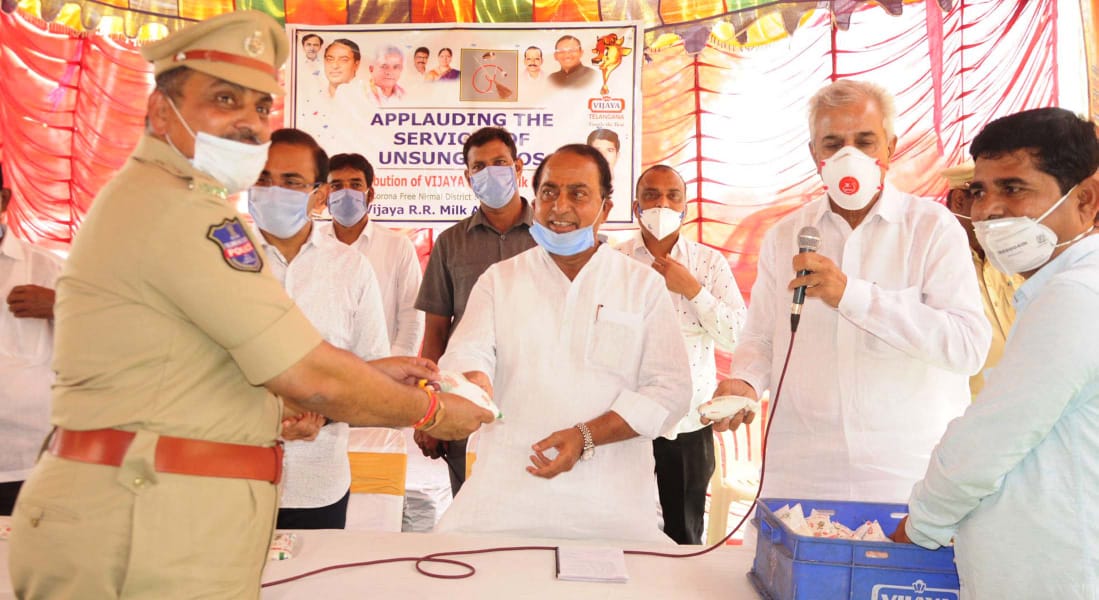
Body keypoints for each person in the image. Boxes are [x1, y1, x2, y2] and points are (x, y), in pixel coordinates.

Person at [7, 12, 491, 599]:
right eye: (223, 98)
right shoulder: (181, 213)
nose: (247, 123)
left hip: (160, 515)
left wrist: (358, 377)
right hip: (140, 528)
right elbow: (308, 374)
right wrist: (431, 414)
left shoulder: (179, 204)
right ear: (161, 111)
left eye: (261, 107)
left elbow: (193, 378)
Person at [713, 79, 991, 503]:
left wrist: (853, 295)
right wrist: (747, 382)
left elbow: (967, 347)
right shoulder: (786, 234)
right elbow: (762, 338)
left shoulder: (933, 229)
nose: (850, 156)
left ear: (890, 147)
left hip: (908, 472)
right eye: (833, 143)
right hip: (801, 468)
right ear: (814, 154)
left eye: (865, 142)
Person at [436, 144, 692, 541]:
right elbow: (467, 354)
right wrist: (473, 386)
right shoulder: (499, 280)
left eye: (578, 193)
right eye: (549, 192)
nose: (560, 207)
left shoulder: (641, 285)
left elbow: (671, 389)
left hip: (613, 506)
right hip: (506, 497)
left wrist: (585, 435)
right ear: (534, 200)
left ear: (605, 208)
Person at [895, 107, 1099, 598]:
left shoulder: (1076, 294)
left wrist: (919, 524)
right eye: (981, 191)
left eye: (1014, 188)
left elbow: (992, 437)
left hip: (1054, 573)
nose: (987, 210)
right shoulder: (1059, 290)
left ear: (1087, 201)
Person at [250, 129, 391, 529]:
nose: (273, 191)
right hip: (230, 475)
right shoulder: (221, 259)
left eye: (291, 182)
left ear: (319, 193)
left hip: (318, 483)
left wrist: (322, 416)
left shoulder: (350, 267)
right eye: (263, 179)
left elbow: (372, 371)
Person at [616, 165, 746, 545]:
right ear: (636, 205)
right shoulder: (615, 261)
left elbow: (737, 334)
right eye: (652, 195)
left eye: (673, 195)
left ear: (685, 207)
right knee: (622, 532)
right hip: (625, 419)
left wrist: (692, 289)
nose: (662, 203)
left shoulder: (708, 263)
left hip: (688, 424)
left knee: (684, 535)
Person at [414, 126, 537, 495]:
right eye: (479, 167)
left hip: (536, 394)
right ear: (468, 178)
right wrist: (430, 408)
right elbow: (436, 332)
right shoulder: (451, 243)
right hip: (466, 397)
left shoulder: (550, 238)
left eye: (499, 163)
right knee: (470, 507)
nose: (490, 172)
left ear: (518, 168)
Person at [0, 165, 64, 516]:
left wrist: (63, 306)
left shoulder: (48, 270)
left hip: (27, 461)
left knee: (22, 568)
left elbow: (110, 340)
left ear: (4, 199)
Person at [319, 153, 424, 357]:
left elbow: (412, 315)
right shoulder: (312, 244)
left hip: (382, 369)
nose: (347, 192)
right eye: (337, 186)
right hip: (323, 372)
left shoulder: (398, 246)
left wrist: (395, 366)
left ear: (370, 194)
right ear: (325, 195)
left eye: (356, 184)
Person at [942, 161, 1024, 399]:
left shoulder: (1014, 259)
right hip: (970, 412)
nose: (1004, 210)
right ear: (960, 201)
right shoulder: (938, 263)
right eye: (985, 195)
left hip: (1027, 403)